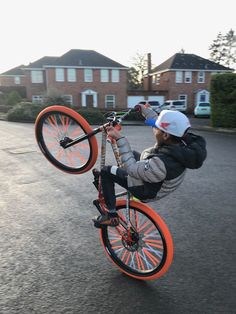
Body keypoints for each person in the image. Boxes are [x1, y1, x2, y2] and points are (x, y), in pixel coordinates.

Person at [93, 105, 207, 227]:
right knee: (131, 155)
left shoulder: (163, 163)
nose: (154, 129)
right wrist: (144, 110)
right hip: (157, 180)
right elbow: (160, 122)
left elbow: (131, 168)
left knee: (106, 171)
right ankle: (111, 181)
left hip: (147, 191)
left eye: (156, 128)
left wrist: (119, 138)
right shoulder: (182, 140)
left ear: (165, 135)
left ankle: (111, 215)